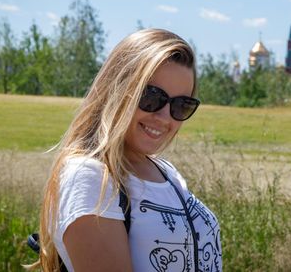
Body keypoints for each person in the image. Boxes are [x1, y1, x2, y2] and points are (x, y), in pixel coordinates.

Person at [34, 29, 222, 271]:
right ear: (118, 89)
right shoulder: (90, 177)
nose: (165, 117)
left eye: (181, 105)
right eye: (152, 97)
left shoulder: (165, 170)